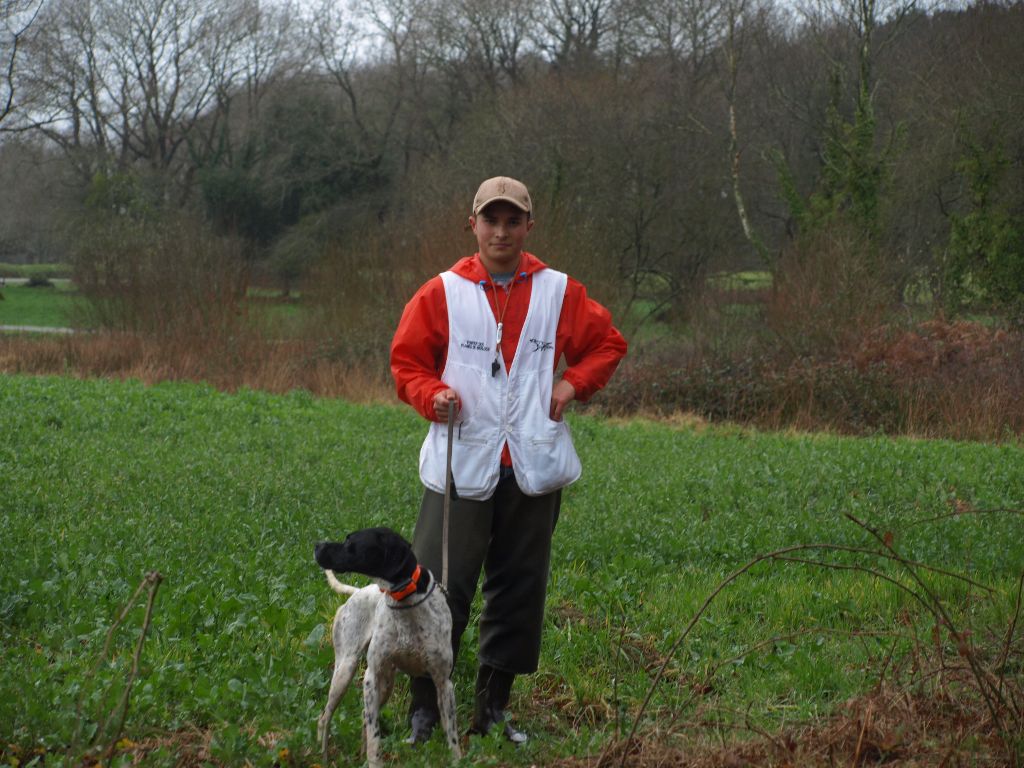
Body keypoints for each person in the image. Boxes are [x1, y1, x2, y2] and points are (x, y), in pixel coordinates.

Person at [390, 176, 627, 743]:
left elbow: (607, 344)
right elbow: (407, 364)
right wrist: (432, 397)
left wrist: (571, 386)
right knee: (436, 586)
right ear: (472, 224)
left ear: (528, 226)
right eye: (490, 220)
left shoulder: (560, 291)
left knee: (520, 587)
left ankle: (493, 708)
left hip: (531, 465)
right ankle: (425, 708)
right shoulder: (441, 292)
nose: (501, 231)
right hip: (459, 464)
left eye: (512, 220)